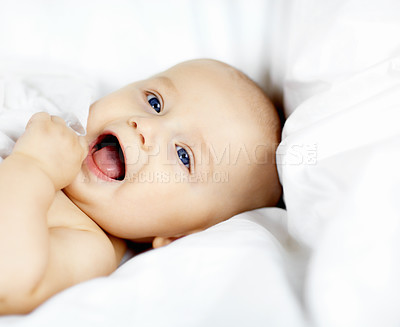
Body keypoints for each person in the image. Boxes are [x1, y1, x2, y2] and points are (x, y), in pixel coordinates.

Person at [0, 59, 282, 315]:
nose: (146, 126)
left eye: (183, 155)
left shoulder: (88, 243)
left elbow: (10, 278)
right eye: (154, 102)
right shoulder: (53, 107)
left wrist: (33, 166)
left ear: (177, 237)